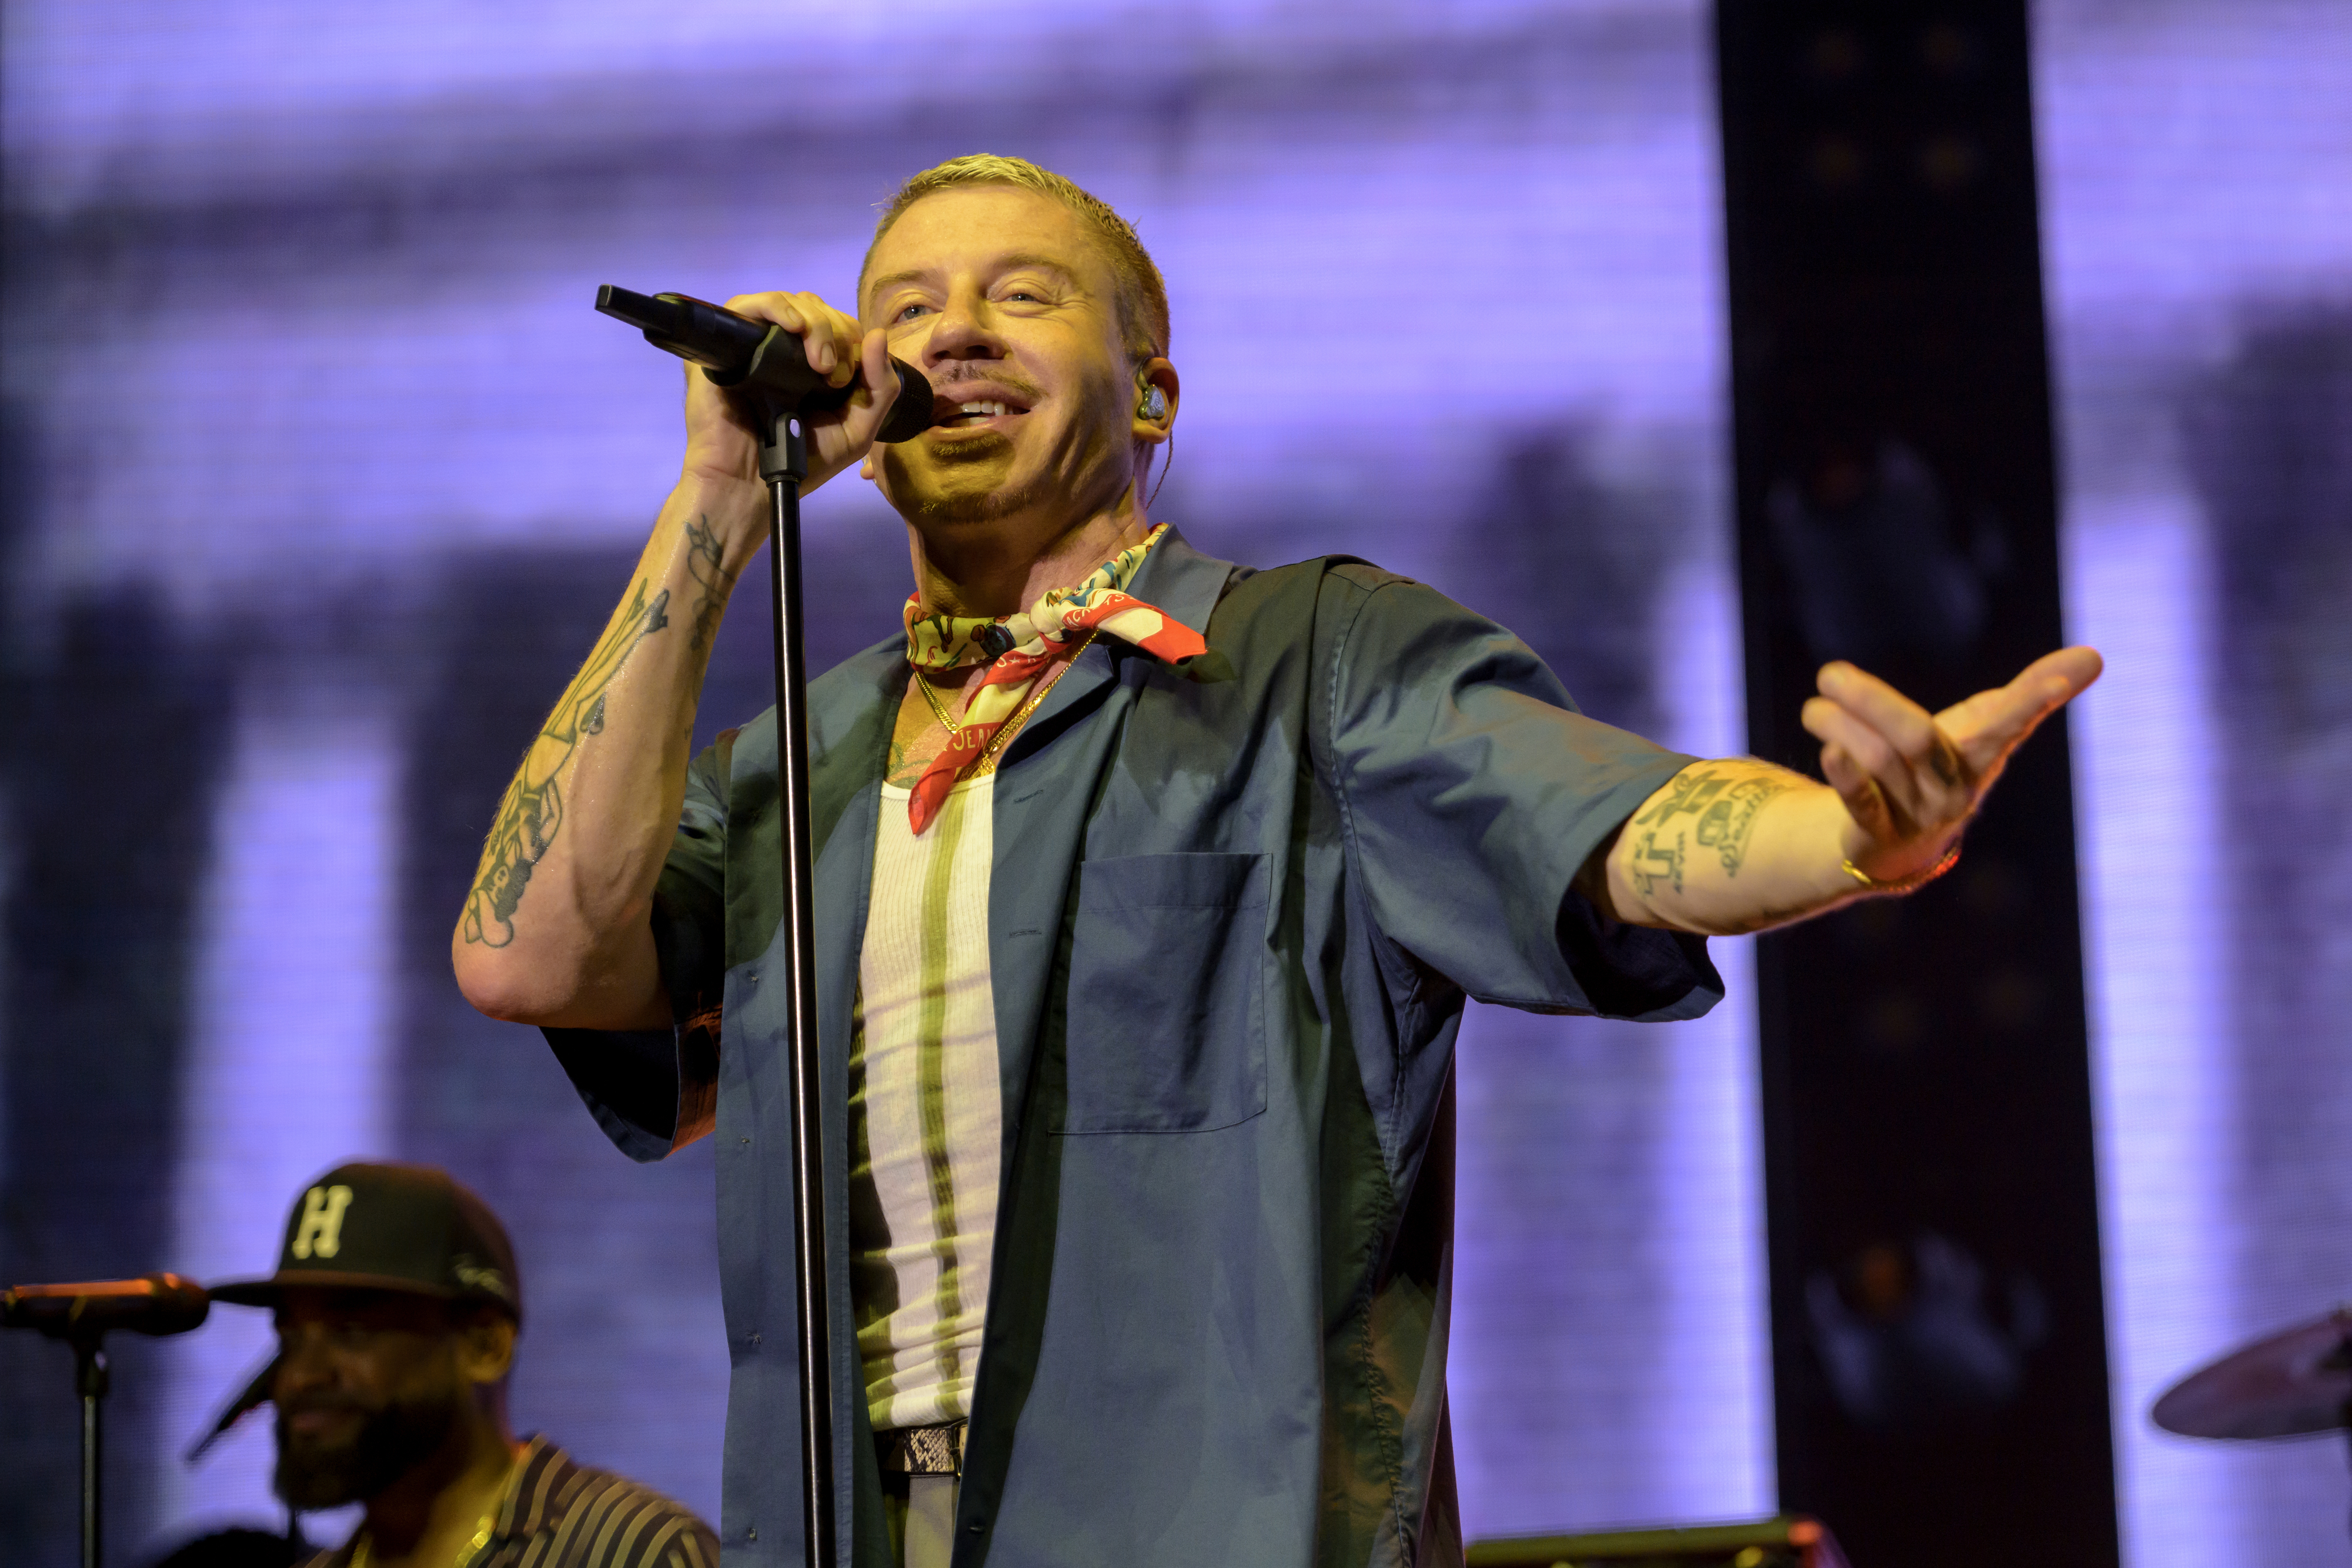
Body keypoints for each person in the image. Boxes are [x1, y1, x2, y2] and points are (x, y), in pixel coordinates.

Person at [449, 155, 2100, 1566]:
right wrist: (720, 499)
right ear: (861, 414)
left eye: (1021, 296)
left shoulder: (1313, 661)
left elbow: (1617, 823)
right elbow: (527, 958)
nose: (952, 331)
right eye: (906, 309)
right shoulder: (797, 766)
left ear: (1150, 392)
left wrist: (1855, 836)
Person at [208, 1162, 719, 1568]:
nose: (299, 1376)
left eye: (352, 1330)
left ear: (484, 1345)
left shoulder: (637, 1552)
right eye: (290, 1337)